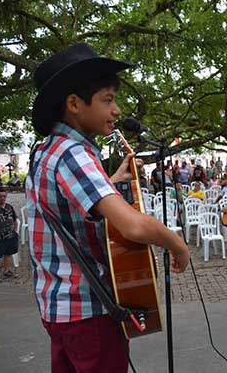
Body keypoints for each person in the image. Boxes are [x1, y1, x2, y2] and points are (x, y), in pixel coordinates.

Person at [26, 43, 190, 373]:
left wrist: (113, 180)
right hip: (88, 312)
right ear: (74, 104)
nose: (116, 111)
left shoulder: (47, 149)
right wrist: (177, 244)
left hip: (59, 309)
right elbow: (133, 227)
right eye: (107, 100)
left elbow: (66, 207)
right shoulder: (74, 153)